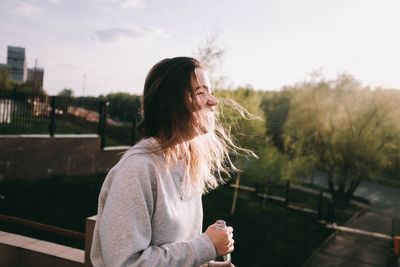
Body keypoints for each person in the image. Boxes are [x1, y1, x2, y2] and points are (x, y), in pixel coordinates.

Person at [91, 57, 246, 267]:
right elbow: (125, 263)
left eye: (210, 91)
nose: (213, 101)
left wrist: (205, 264)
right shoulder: (137, 170)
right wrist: (206, 246)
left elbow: (175, 249)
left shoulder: (186, 163)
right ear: (170, 104)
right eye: (200, 92)